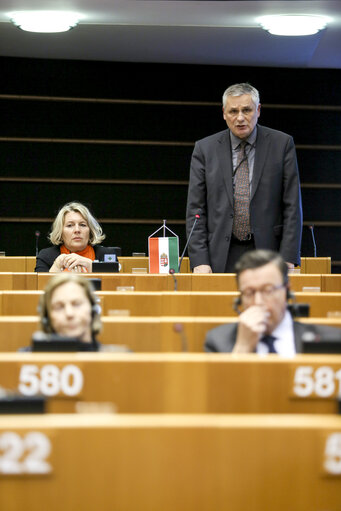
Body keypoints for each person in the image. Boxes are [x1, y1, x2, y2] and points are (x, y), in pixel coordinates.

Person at [186, 83, 303, 273]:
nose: (240, 118)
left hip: (268, 253)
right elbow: (196, 210)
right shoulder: (205, 149)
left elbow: (292, 206)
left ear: (258, 110)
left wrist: (288, 258)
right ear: (224, 113)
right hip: (219, 254)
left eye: (246, 110)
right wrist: (199, 260)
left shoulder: (282, 144)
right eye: (233, 111)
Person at [204, 250, 341, 354]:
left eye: (268, 290)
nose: (258, 302)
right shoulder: (218, 342)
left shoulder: (330, 341)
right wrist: (242, 348)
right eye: (249, 293)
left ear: (286, 290)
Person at [35, 202, 108, 272]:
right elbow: (39, 284)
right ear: (60, 232)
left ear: (91, 231)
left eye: (82, 225)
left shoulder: (106, 255)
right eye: (70, 225)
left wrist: (92, 266)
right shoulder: (46, 256)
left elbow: (114, 283)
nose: (77, 230)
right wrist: (56, 267)